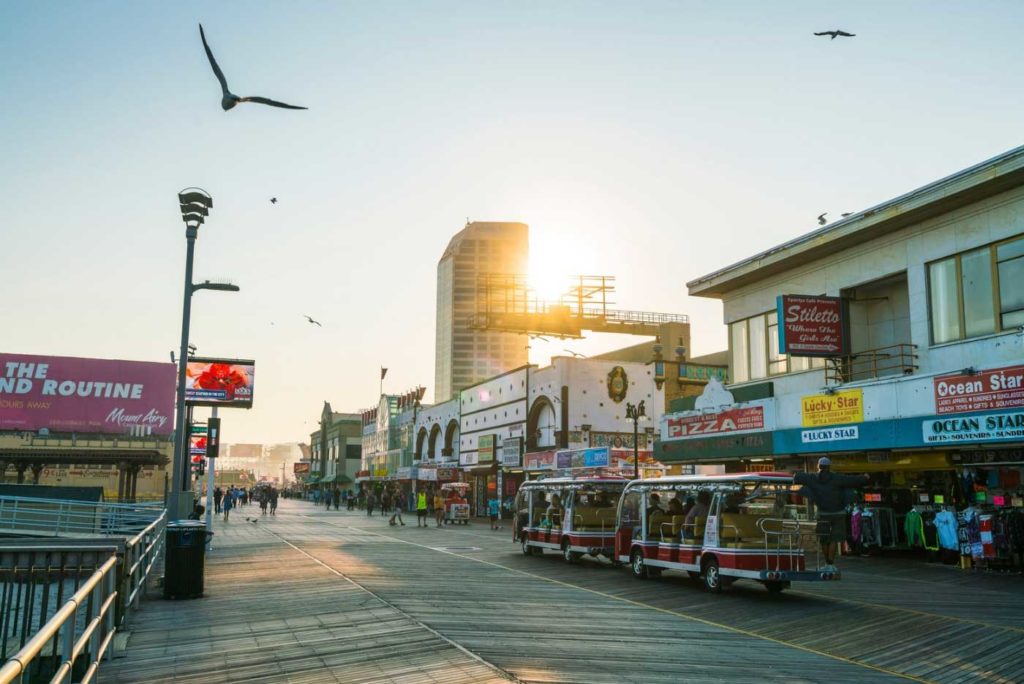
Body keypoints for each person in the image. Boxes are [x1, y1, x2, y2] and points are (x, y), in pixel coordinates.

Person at [794, 457, 870, 572]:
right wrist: (864, 477)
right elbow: (853, 480)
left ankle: (826, 563)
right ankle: (831, 564)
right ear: (829, 467)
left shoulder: (812, 478)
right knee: (834, 539)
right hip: (838, 513)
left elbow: (797, 477)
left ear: (818, 466)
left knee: (824, 539)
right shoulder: (837, 478)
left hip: (822, 513)